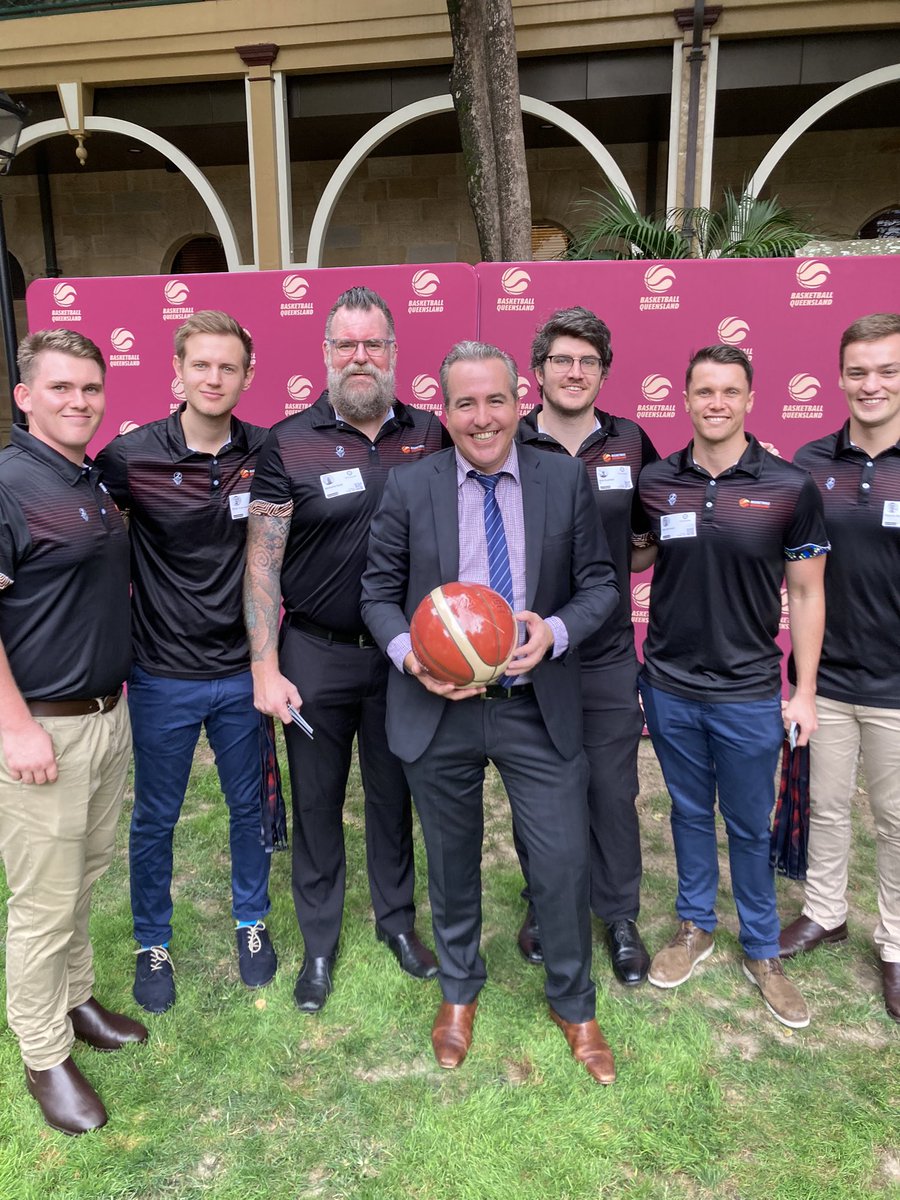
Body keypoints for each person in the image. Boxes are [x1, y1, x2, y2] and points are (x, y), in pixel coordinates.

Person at [361, 339, 621, 1083]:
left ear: (521, 401)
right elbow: (377, 595)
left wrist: (556, 631)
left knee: (563, 859)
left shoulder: (563, 479)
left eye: (496, 400)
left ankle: (574, 1002)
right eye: (466, 403)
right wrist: (413, 659)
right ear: (444, 413)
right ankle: (458, 992)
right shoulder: (410, 489)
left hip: (534, 704)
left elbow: (601, 583)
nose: (483, 417)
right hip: (437, 705)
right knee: (451, 860)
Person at [244, 285, 445, 1014]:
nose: (360, 357)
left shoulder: (432, 434)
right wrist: (265, 665)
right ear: (326, 354)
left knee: (395, 798)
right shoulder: (287, 440)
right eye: (345, 345)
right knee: (318, 805)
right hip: (316, 654)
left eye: (374, 344)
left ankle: (397, 925)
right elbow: (262, 562)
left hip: (403, 657)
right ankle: (320, 943)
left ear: (394, 353)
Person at [637, 344, 828, 1029]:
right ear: (684, 399)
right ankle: (695, 927)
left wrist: (802, 691)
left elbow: (807, 594)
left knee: (749, 825)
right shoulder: (655, 481)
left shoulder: (789, 485)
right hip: (668, 684)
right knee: (687, 813)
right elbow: (634, 550)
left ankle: (761, 948)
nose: (715, 403)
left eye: (729, 391)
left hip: (749, 690)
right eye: (704, 391)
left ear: (750, 400)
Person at [95, 310, 276, 1015]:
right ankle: (152, 941)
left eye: (228, 366)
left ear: (247, 376)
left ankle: (251, 924)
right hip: (161, 674)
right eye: (201, 364)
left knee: (248, 808)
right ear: (178, 372)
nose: (214, 377)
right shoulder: (129, 456)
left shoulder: (267, 453)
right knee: (156, 816)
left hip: (240, 671)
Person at [0, 329, 146, 1135]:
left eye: (90, 388)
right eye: (60, 388)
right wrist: (14, 728)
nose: (78, 401)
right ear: (25, 396)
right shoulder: (9, 485)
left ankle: (77, 997)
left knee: (84, 876)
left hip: (103, 717)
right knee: (43, 903)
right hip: (40, 733)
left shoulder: (87, 480)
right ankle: (44, 1052)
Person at [514, 306, 658, 985]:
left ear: (603, 373)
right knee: (540, 792)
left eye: (588, 362)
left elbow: (645, 541)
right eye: (562, 360)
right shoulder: (507, 442)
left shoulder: (630, 442)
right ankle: (544, 904)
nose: (575, 373)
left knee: (612, 790)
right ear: (538, 370)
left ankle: (619, 913)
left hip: (602, 653)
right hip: (525, 658)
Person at [779, 312, 900, 1024]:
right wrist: (803, 683)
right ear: (839, 377)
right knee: (824, 806)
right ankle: (825, 912)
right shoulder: (810, 462)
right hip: (827, 676)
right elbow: (799, 577)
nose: (872, 384)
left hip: (897, 683)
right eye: (858, 371)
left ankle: (895, 942)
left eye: (887, 370)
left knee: (895, 819)